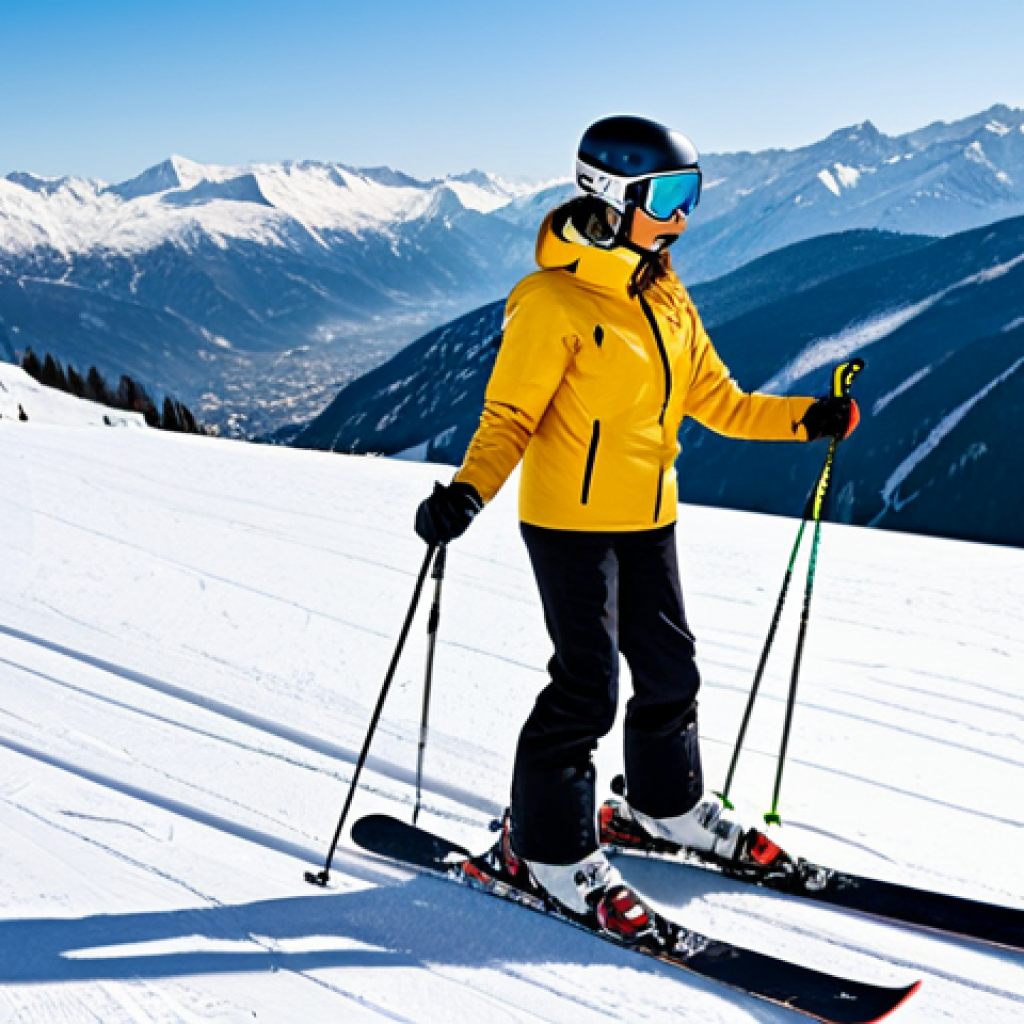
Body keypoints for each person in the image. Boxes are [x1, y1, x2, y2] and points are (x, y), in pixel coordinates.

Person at [414, 115, 858, 939]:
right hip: (569, 525)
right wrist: (467, 494)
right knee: (586, 689)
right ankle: (543, 849)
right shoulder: (551, 301)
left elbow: (718, 401)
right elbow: (510, 416)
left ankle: (666, 806)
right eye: (669, 197)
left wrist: (807, 420)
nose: (684, 216)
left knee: (669, 668)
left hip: (650, 516)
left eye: (692, 194)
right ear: (613, 195)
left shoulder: (663, 291)